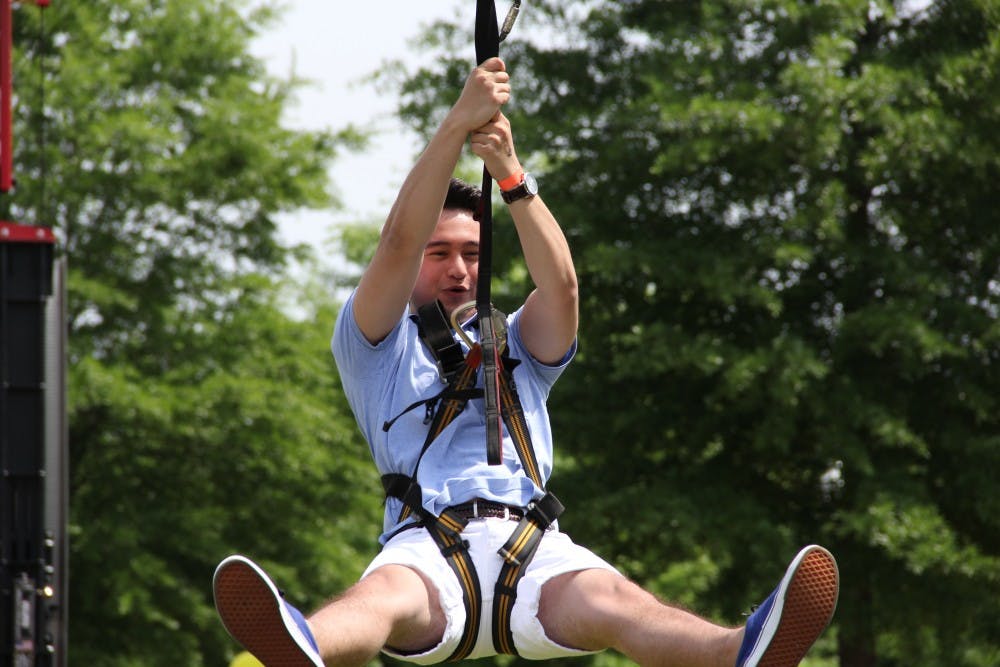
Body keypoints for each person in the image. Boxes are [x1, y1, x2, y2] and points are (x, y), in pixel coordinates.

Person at [213, 57, 840, 667]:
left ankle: (733, 653)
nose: (458, 269)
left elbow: (562, 287)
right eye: (439, 253)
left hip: (534, 549)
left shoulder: (518, 343)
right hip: (426, 547)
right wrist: (457, 123)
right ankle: (307, 648)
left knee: (616, 600)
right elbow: (398, 240)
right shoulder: (374, 342)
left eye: (471, 253)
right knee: (382, 599)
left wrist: (509, 172)